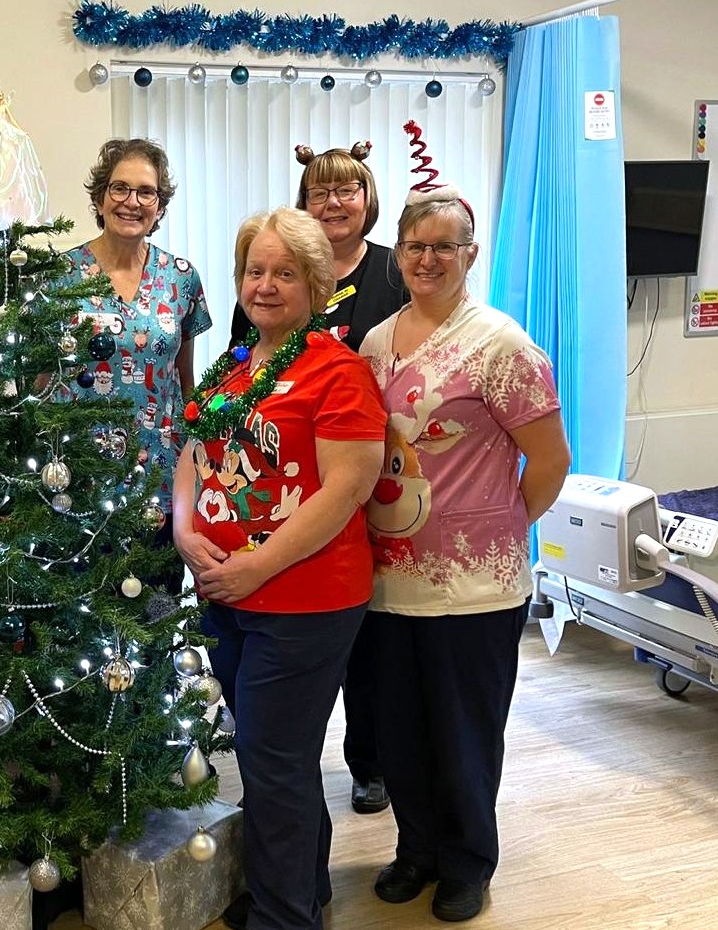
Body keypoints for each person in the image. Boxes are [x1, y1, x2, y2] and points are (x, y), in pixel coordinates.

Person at [359, 184, 570, 922]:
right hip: (388, 580)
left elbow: (548, 459)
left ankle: (466, 862)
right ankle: (414, 849)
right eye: (415, 245)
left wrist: (501, 526)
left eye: (443, 246)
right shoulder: (377, 342)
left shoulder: (500, 346)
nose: (427, 259)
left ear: (468, 255)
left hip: (475, 587)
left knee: (463, 732)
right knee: (400, 730)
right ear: (399, 254)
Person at [174, 207, 386, 930]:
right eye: (253, 271)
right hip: (226, 595)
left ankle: (283, 915)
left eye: (283, 273)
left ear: (318, 285)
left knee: (272, 761)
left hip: (303, 601)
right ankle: (301, 892)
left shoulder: (339, 371)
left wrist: (254, 566)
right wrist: (183, 531)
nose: (264, 285)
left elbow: (345, 488)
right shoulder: (237, 367)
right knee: (273, 761)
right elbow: (191, 456)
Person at [232, 142, 407, 816]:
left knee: (366, 657)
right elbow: (234, 378)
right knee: (280, 730)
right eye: (320, 192)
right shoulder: (266, 287)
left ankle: (370, 764)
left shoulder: (395, 272)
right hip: (281, 496)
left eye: (347, 190)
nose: (334, 203)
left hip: (367, 483)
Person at [61, 138, 211, 593]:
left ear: (160, 204)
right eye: (119, 188)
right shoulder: (61, 275)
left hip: (160, 481)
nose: (132, 201)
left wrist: (196, 468)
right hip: (79, 479)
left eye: (146, 192)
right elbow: (44, 380)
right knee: (81, 622)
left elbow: (183, 381)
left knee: (156, 612)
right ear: (100, 197)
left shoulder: (181, 277)